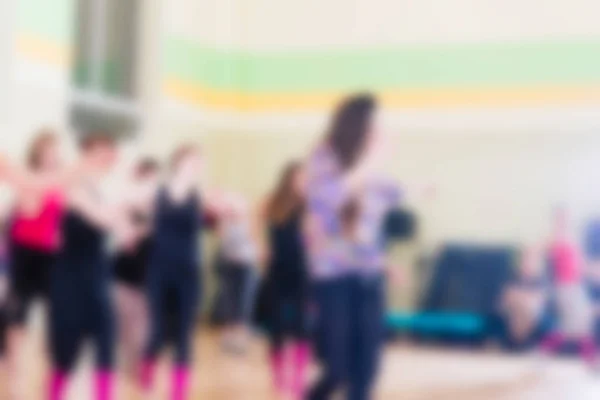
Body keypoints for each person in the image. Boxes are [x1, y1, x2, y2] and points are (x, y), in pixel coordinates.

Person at [305, 94, 402, 400]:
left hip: (368, 276)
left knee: (367, 372)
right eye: (376, 122)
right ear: (359, 123)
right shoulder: (324, 157)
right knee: (337, 369)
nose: (380, 129)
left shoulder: (372, 168)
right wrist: (370, 164)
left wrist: (384, 262)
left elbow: (371, 225)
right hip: (334, 277)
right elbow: (324, 203)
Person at [0, 129, 96, 399]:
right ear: (39, 153)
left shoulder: (64, 183)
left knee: (58, 322)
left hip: (51, 259)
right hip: (24, 255)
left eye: (56, 150)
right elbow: (29, 206)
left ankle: (54, 381)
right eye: (48, 150)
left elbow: (70, 217)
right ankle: (14, 382)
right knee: (16, 320)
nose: (53, 155)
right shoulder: (27, 179)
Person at [46, 133, 132, 400]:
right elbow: (102, 218)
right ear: (86, 155)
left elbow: (125, 234)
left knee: (106, 344)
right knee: (66, 352)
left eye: (109, 153)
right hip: (69, 278)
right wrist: (120, 213)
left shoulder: (103, 190)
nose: (106, 158)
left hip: (97, 275)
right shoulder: (72, 187)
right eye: (99, 153)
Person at [140, 144, 223, 400]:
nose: (197, 166)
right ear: (178, 162)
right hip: (159, 270)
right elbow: (144, 220)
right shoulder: (158, 191)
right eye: (192, 160)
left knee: (185, 333)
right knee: (158, 331)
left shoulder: (202, 196)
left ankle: (179, 392)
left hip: (188, 271)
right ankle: (148, 366)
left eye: (200, 162)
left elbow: (217, 223)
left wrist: (221, 212)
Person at [259, 161, 311, 399]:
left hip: (302, 270)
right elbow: (253, 218)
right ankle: (279, 375)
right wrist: (261, 246)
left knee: (302, 324)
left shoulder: (309, 204)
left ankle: (298, 378)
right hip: (277, 269)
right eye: (299, 177)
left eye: (306, 178)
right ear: (288, 178)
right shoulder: (272, 201)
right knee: (278, 325)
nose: (303, 181)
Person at [112, 158, 160, 382]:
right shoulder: (125, 205)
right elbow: (124, 236)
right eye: (146, 178)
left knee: (143, 320)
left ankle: (139, 364)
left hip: (150, 269)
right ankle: (127, 358)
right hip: (124, 269)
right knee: (124, 318)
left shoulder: (162, 208)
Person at [540, 206, 597, 368]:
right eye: (562, 217)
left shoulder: (571, 240)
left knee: (576, 325)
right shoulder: (556, 238)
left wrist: (592, 271)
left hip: (574, 286)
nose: (566, 220)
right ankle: (591, 360)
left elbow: (579, 266)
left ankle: (544, 354)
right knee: (577, 324)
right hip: (564, 287)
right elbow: (548, 254)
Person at [217, 193, 260, 354]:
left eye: (238, 207)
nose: (235, 210)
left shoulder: (250, 222)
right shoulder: (226, 223)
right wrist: (225, 219)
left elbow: (255, 243)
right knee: (229, 302)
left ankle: (240, 341)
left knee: (244, 303)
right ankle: (228, 339)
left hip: (246, 267)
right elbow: (223, 240)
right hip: (229, 266)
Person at [498, 245, 548, 350]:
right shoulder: (511, 278)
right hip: (511, 318)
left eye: (532, 260)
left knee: (531, 307)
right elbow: (504, 301)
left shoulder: (542, 282)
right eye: (525, 260)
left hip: (533, 322)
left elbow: (540, 303)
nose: (528, 264)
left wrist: (521, 299)